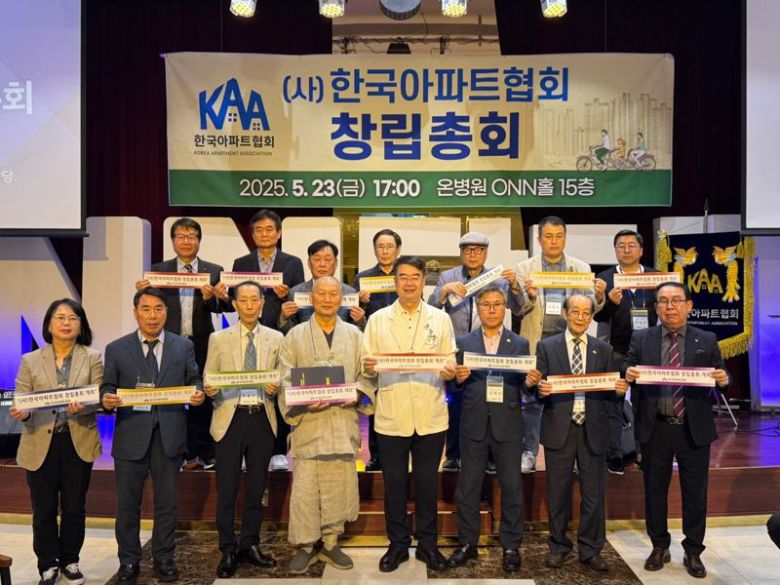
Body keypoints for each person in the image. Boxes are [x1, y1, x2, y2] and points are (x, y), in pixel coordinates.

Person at [623, 282, 730, 579]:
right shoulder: (642, 338)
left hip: (693, 430)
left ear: (689, 306)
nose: (670, 307)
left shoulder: (706, 339)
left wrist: (724, 379)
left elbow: (722, 376)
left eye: (676, 300)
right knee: (654, 492)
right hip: (655, 428)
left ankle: (693, 550)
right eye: (663, 301)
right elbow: (627, 367)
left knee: (695, 493)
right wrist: (626, 371)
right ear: (656, 307)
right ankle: (659, 546)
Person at [100, 287, 204, 584]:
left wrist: (197, 393)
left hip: (169, 435)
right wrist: (106, 399)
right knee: (127, 505)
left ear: (166, 312)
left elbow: (194, 380)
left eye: (158, 308)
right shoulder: (116, 348)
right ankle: (128, 561)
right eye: (146, 309)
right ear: (136, 312)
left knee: (167, 503)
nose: (152, 315)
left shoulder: (183, 346)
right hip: (131, 435)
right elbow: (107, 386)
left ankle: (164, 557)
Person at [362, 256, 457, 573]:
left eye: (415, 276)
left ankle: (428, 545)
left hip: (430, 414)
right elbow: (366, 365)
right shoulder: (378, 320)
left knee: (428, 484)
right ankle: (398, 545)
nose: (409, 282)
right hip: (392, 414)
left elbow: (449, 360)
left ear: (423, 280)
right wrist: (369, 367)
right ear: (395, 281)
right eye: (403, 277)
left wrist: (449, 370)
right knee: (395, 485)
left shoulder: (440, 319)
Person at [279, 276, 374, 574]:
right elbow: (284, 379)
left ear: (342, 299)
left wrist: (356, 394)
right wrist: (303, 401)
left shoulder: (355, 335)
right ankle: (306, 545)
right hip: (309, 424)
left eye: (334, 294)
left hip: (342, 422)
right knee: (306, 489)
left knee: (338, 486)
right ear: (311, 297)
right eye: (322, 293)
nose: (328, 299)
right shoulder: (294, 335)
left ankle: (331, 542)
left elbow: (366, 375)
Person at [446, 285, 541, 572]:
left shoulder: (519, 343)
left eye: (497, 304)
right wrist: (457, 379)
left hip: (508, 426)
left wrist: (530, 383)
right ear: (478, 308)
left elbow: (525, 388)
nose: (491, 309)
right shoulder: (464, 343)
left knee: (511, 487)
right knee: (468, 488)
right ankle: (467, 543)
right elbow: (452, 387)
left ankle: (511, 545)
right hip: (473, 425)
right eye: (486, 304)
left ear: (505, 308)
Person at [9, 299, 103, 585]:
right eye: (59, 317)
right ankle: (47, 564)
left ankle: (70, 561)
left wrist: (84, 406)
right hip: (40, 442)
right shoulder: (31, 360)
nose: (66, 323)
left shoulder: (92, 357)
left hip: (77, 441)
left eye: (72, 318)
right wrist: (22, 411)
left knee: (74, 508)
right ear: (48, 325)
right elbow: (22, 397)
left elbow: (98, 396)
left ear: (81, 325)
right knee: (44, 509)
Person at [536, 294, 628, 572]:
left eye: (586, 313)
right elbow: (536, 388)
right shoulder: (546, 346)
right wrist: (539, 389)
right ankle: (558, 546)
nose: (580, 317)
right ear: (565, 314)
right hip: (559, 429)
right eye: (575, 311)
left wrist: (618, 391)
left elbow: (610, 393)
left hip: (593, 430)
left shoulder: (603, 349)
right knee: (558, 493)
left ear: (591, 317)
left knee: (593, 495)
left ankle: (590, 548)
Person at [136, 217, 230, 470]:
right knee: (172, 396)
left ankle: (205, 451)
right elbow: (150, 304)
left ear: (199, 240)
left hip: (202, 342)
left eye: (191, 236)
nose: (186, 241)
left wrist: (212, 298)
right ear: (173, 241)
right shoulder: (159, 270)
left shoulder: (214, 270)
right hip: (170, 343)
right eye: (181, 236)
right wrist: (143, 290)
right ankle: (179, 451)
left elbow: (222, 307)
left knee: (203, 396)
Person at [202, 281, 282, 578]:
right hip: (230, 418)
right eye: (243, 300)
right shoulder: (218, 338)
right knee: (227, 488)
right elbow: (209, 376)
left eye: (254, 300)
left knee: (257, 487)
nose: (249, 305)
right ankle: (227, 547)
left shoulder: (276, 338)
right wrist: (210, 388)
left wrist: (276, 386)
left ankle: (250, 543)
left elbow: (283, 376)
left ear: (262, 303)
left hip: (261, 417)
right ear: (234, 304)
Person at [516, 216, 605, 473]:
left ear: (565, 238)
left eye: (559, 236)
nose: (554, 241)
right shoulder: (525, 268)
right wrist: (528, 296)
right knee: (532, 399)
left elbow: (592, 308)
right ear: (539, 239)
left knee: (571, 397)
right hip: (537, 341)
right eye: (548, 236)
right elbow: (518, 308)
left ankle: (575, 454)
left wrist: (600, 296)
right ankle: (529, 452)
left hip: (570, 343)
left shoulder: (580, 268)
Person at [429, 231, 524, 472]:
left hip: (490, 347)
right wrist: (443, 291)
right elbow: (431, 308)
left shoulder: (497, 278)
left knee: (489, 400)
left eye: (478, 250)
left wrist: (514, 286)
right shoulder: (447, 276)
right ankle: (453, 454)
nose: (473, 254)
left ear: (486, 253)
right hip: (457, 346)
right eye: (468, 250)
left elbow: (518, 308)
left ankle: (491, 454)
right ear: (461, 252)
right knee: (455, 401)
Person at [232, 209, 305, 471]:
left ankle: (278, 451)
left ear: (279, 233)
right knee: (247, 389)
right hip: (248, 332)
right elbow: (232, 298)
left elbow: (300, 300)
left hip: (279, 334)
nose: (264, 234)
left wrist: (286, 296)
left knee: (278, 389)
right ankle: (244, 448)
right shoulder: (241, 262)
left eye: (269, 229)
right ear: (252, 235)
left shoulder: (292, 263)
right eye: (259, 230)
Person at [594, 229, 659, 475]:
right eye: (621, 246)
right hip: (616, 350)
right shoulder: (605, 278)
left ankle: (644, 453)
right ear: (615, 251)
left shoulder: (655, 277)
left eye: (631, 245)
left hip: (648, 350)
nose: (626, 250)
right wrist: (610, 302)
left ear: (641, 250)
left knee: (646, 405)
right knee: (613, 404)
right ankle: (615, 456)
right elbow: (598, 316)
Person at [353, 228, 402, 472]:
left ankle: (400, 452)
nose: (385, 251)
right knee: (376, 402)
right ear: (374, 250)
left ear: (398, 249)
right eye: (380, 246)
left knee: (399, 401)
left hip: (402, 347)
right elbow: (353, 318)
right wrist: (361, 304)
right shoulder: (363, 279)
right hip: (376, 347)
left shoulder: (405, 275)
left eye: (389, 246)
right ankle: (375, 454)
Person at [279, 240, 365, 332]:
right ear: (309, 263)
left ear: (336, 263)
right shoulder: (296, 292)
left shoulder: (350, 292)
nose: (322, 264)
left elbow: (356, 332)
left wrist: (360, 322)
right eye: (317, 259)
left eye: (327, 260)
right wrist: (284, 318)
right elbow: (291, 333)